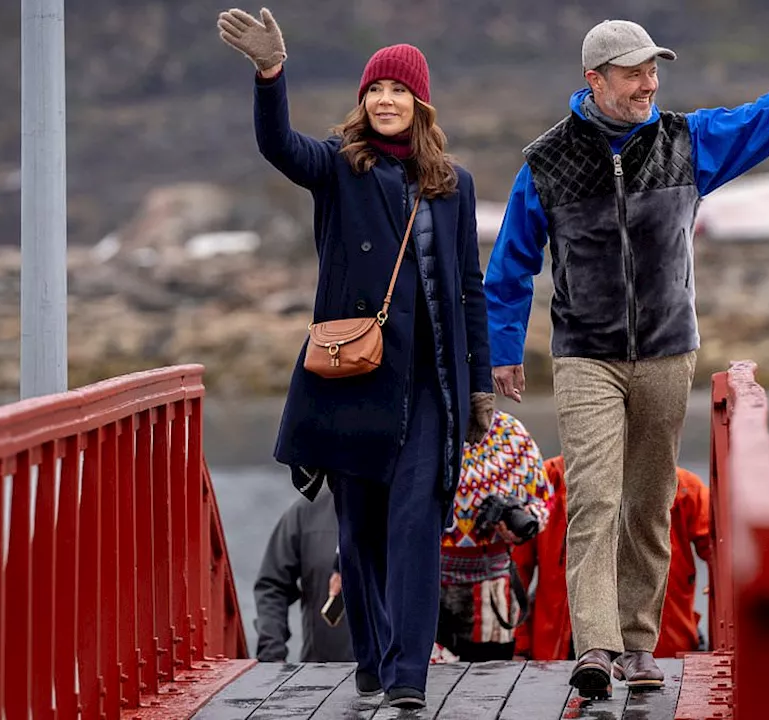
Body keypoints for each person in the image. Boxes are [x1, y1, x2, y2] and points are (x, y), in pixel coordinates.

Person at [484, 15, 769, 697]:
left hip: (669, 352)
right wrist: (504, 350)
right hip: (586, 355)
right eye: (634, 72)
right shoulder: (546, 162)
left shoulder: (687, 141)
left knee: (649, 501)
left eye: (654, 70)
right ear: (594, 79)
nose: (649, 83)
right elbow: (509, 267)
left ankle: (640, 645)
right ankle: (597, 648)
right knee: (593, 498)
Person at [218, 8, 494, 711]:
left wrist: (480, 386)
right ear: (364, 101)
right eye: (375, 90)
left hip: (431, 387)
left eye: (399, 91)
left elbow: (468, 288)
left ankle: (407, 677)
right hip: (356, 381)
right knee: (360, 529)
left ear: (420, 104)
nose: (385, 101)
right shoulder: (341, 167)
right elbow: (279, 145)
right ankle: (372, 658)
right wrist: (270, 75)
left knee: (414, 527)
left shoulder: (453, 184)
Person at [512, 457, 712, 661]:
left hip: (663, 655)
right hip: (562, 655)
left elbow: (722, 552)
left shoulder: (685, 489)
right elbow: (516, 572)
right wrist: (520, 647)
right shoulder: (548, 480)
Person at [436, 410, 552, 661]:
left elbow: (543, 500)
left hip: (491, 587)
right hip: (427, 582)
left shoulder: (511, 433)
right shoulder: (425, 424)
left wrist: (521, 522)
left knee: (488, 681)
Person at [253, 488, 355, 663]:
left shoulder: (409, 509)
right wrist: (272, 654)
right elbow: (272, 586)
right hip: (324, 673)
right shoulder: (306, 512)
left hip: (405, 677)